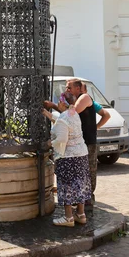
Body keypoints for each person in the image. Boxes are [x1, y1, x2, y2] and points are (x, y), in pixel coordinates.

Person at [42, 92, 91, 227]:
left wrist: (49, 143)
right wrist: (48, 115)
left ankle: (68, 217)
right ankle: (81, 215)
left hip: (69, 157)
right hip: (81, 155)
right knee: (80, 184)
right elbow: (62, 122)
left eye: (59, 102)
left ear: (63, 103)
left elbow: (62, 138)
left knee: (66, 185)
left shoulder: (64, 117)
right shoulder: (73, 113)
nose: (57, 104)